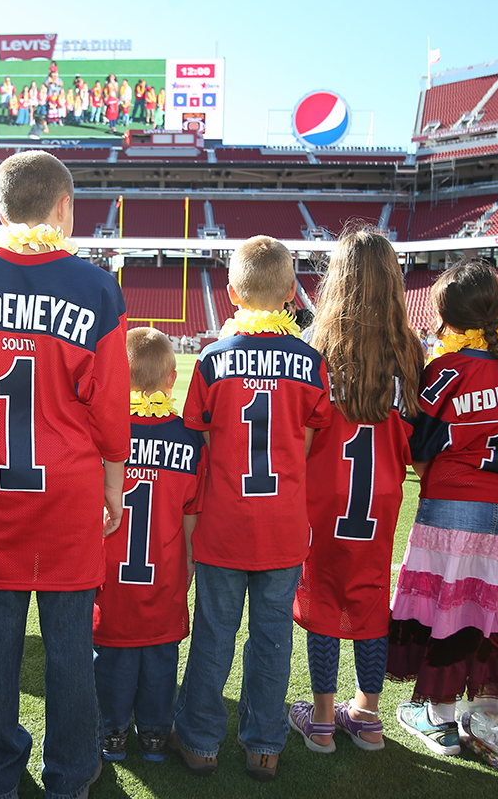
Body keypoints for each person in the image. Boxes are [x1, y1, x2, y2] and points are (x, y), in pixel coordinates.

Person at [0, 150, 129, 799]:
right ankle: (70, 775)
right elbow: (111, 408)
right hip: (67, 496)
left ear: (0, 210)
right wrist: (114, 482)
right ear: (64, 208)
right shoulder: (97, 289)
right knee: (69, 654)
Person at [173, 235, 331, 782]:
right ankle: (264, 742)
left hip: (223, 525)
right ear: (293, 292)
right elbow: (306, 445)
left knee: (214, 634)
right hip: (282, 526)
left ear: (233, 293)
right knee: (272, 638)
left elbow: (202, 441)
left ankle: (199, 739)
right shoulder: (311, 362)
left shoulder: (213, 360)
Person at [387, 259, 498, 759]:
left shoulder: (447, 370)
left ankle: (439, 716)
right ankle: (496, 719)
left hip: (452, 505)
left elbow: (419, 443)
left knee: (446, 606)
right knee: (496, 608)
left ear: (447, 318)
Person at [288, 230, 423, 754]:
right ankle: (367, 714)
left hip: (321, 499)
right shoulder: (411, 350)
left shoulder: (315, 348)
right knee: (369, 600)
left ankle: (322, 718)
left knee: (320, 598)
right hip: (380, 501)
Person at [94, 327, 205, 764]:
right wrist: (189, 566)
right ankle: (156, 736)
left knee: (112, 657)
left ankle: (112, 735)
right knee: (161, 656)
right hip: (163, 577)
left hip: (110, 578)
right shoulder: (189, 440)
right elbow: (192, 517)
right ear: (169, 379)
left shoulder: (103, 437)